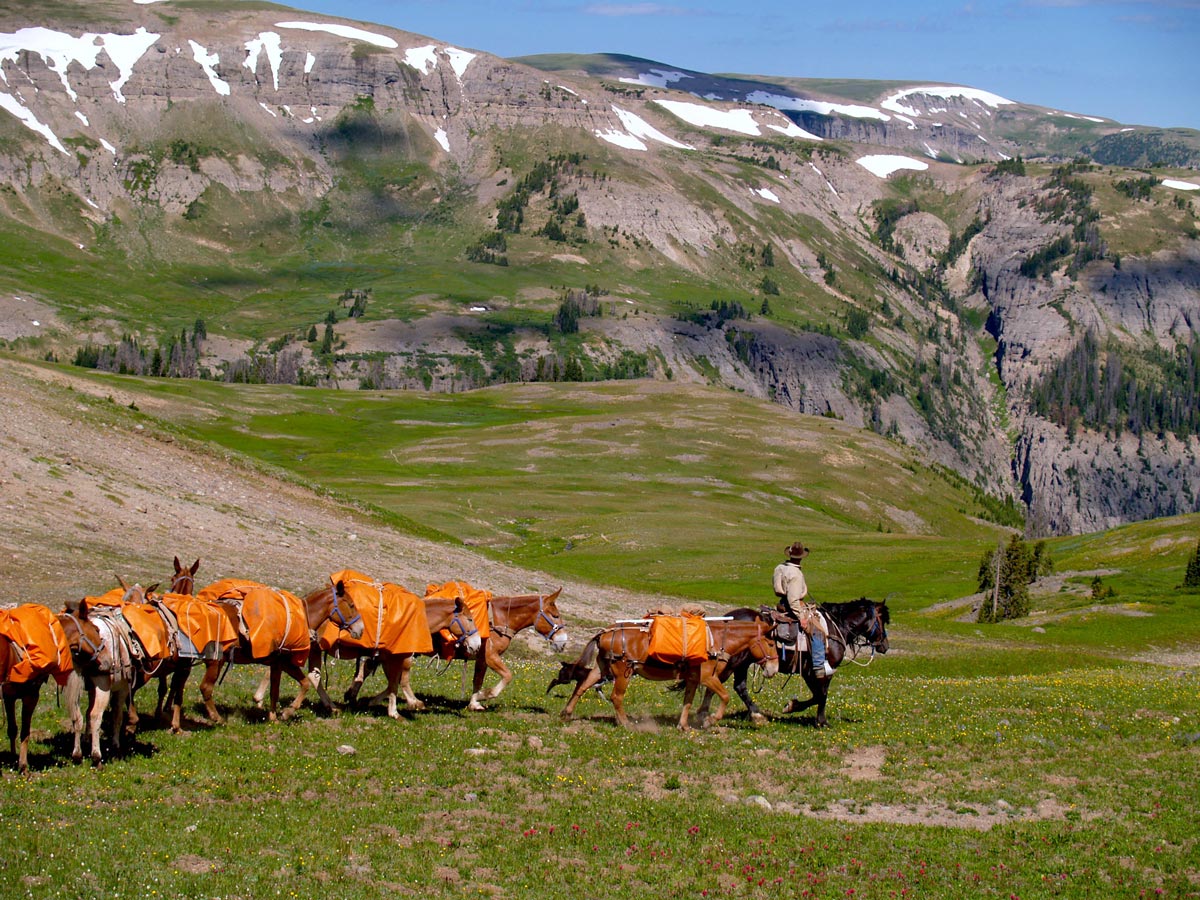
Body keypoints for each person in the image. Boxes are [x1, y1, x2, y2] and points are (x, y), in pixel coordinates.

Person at [772, 541, 834, 678]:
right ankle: (818, 666)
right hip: (793, 605)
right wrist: (802, 618)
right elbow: (793, 599)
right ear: (801, 557)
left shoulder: (780, 567)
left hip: (781, 603)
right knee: (817, 629)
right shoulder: (795, 574)